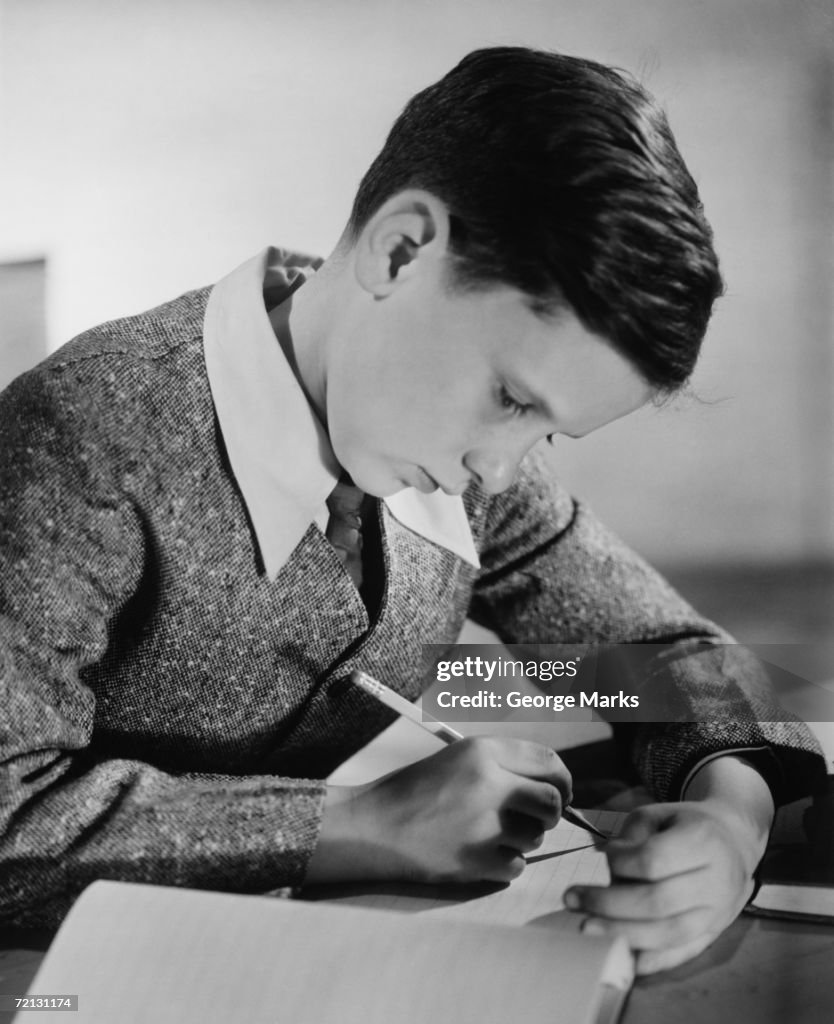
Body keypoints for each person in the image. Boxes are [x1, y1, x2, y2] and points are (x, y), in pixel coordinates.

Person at [0, 46, 824, 975]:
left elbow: (667, 662)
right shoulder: (90, 429)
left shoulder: (467, 469)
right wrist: (356, 822)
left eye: (548, 434)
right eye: (513, 398)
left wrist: (731, 814)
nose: (503, 469)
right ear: (403, 250)